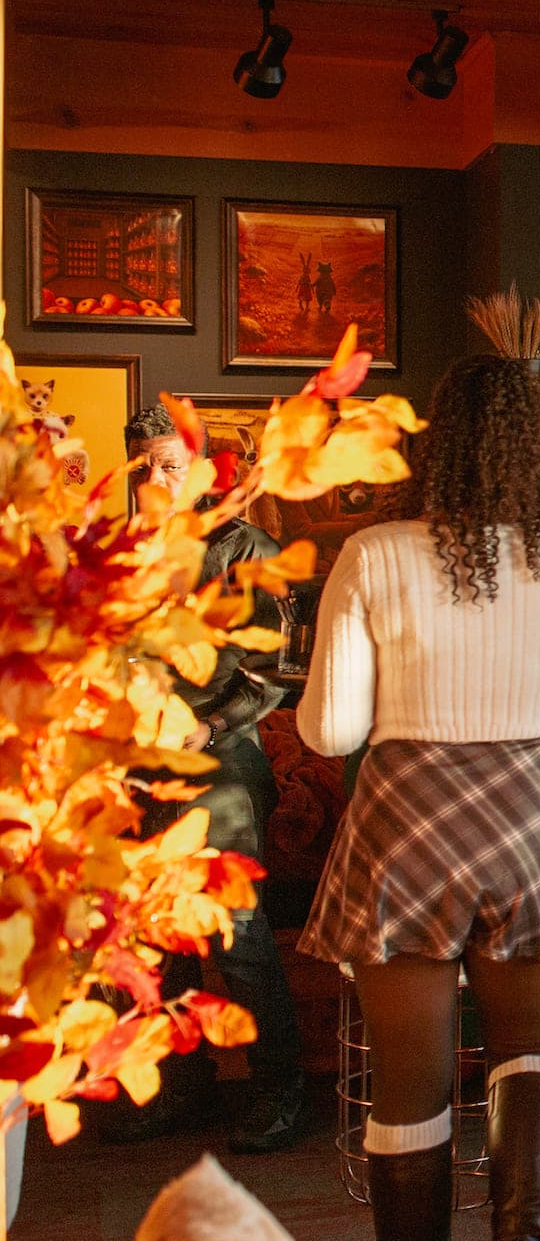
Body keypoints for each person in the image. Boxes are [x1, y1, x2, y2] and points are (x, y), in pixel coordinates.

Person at [298, 351, 540, 1241]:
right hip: (526, 808)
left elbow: (331, 724)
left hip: (408, 817)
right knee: (534, 1044)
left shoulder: (375, 552)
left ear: (435, 439)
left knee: (410, 1086)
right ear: (539, 448)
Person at [101, 405, 307, 1153]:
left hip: (220, 767)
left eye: (169, 465)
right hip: (139, 769)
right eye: (143, 466)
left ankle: (281, 1091)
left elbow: (278, 665)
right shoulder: (124, 553)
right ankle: (180, 1091)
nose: (154, 479)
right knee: (160, 942)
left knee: (239, 935)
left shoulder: (244, 550)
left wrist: (211, 724)